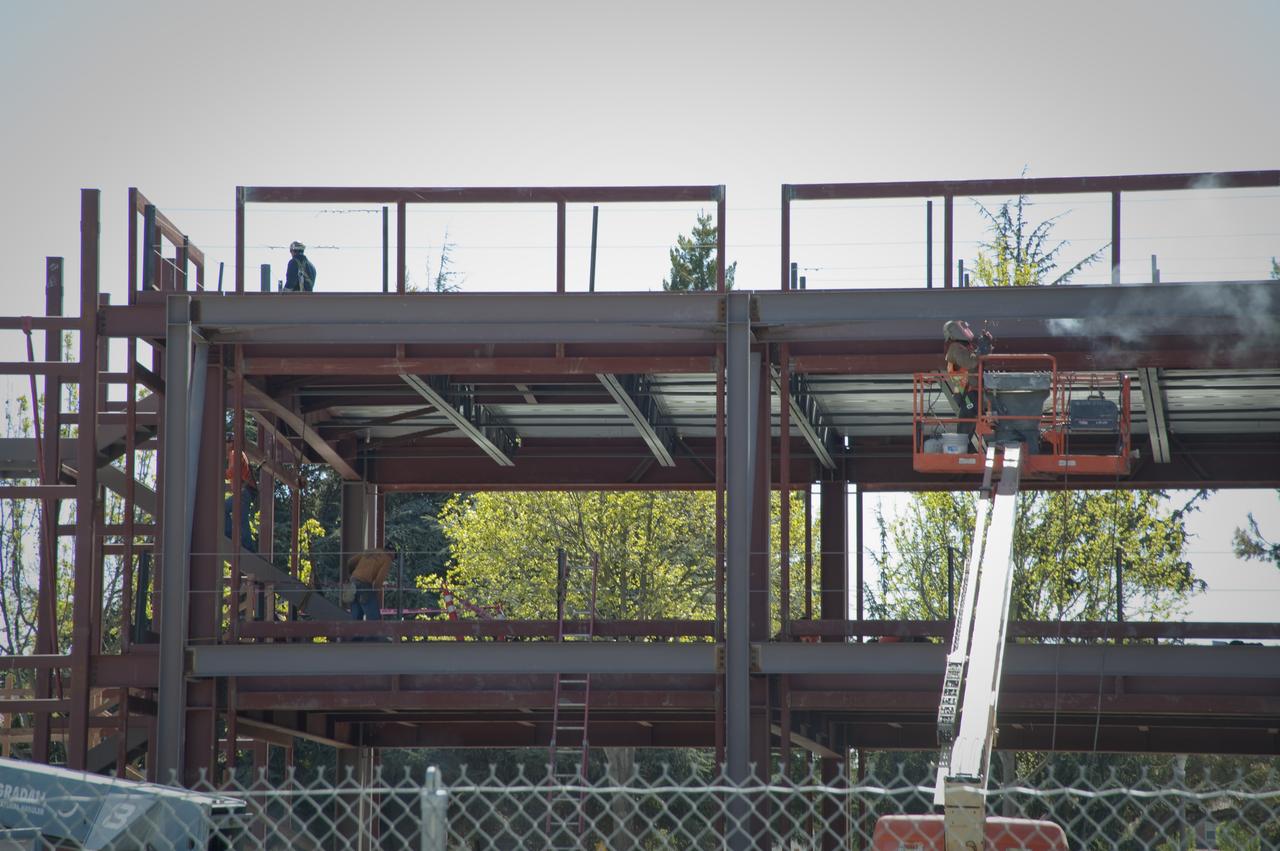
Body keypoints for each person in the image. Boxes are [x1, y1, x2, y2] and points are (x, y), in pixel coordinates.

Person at [942, 320, 994, 431]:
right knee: (967, 416)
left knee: (972, 417)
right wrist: (981, 349)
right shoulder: (955, 348)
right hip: (966, 391)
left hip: (973, 390)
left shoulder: (966, 347)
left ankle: (964, 444)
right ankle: (961, 444)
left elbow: (979, 359)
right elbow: (969, 362)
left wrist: (986, 345)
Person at [346, 546, 396, 627]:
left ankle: (355, 638)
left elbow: (350, 562)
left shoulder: (369, 551)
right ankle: (373, 638)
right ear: (392, 552)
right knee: (374, 618)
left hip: (352, 582)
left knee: (356, 616)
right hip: (364, 585)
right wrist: (374, 593)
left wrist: (352, 575)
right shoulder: (387, 558)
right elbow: (380, 579)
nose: (393, 559)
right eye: (394, 557)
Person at [223, 447, 257, 551]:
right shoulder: (238, 454)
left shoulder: (234, 453)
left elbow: (233, 470)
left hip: (244, 492)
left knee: (223, 509)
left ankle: (230, 535)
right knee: (242, 517)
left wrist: (222, 473)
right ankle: (247, 545)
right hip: (246, 491)